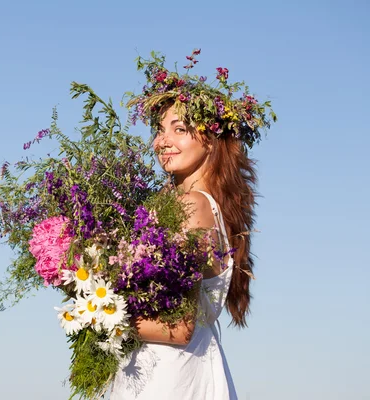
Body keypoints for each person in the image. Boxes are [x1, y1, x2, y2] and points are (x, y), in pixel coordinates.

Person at [110, 50, 274, 399]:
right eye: (159, 130)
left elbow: (180, 328)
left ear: (211, 140)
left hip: (171, 379)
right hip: (167, 371)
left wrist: (100, 315)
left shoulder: (193, 206)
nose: (162, 141)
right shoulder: (189, 206)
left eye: (179, 129)